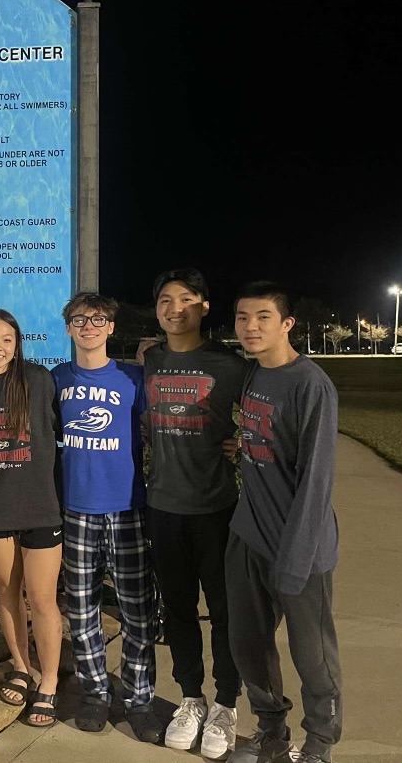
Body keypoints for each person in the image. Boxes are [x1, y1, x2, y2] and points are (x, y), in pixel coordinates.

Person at [226, 282, 342, 763]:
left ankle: (319, 744)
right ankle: (271, 732)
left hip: (300, 548)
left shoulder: (310, 385)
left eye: (263, 317)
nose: (251, 327)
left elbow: (315, 481)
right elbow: (261, 437)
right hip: (248, 537)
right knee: (248, 647)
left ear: (287, 324)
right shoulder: (254, 375)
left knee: (312, 657)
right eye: (242, 318)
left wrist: (295, 563)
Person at [143, 269, 249, 759]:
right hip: (163, 508)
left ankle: (227, 703)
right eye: (166, 299)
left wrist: (243, 441)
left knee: (225, 612)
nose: (175, 308)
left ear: (205, 306)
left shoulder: (229, 364)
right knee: (178, 610)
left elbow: (265, 418)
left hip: (215, 508)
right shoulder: (150, 359)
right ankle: (191, 697)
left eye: (186, 299)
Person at [51, 292, 161, 743]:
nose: (89, 326)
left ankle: (139, 698)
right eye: (80, 319)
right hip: (77, 509)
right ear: (69, 327)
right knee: (81, 609)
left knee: (138, 611)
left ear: (111, 328)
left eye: (98, 320)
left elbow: (164, 429)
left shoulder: (133, 379)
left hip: (127, 508)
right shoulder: (56, 379)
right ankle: (95, 690)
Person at [0, 309, 63, 728]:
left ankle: (50, 682)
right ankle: (22, 668)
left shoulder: (37, 380)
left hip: (40, 505)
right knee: (8, 591)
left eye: (6, 339)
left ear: (18, 342)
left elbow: (64, 429)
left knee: (41, 599)